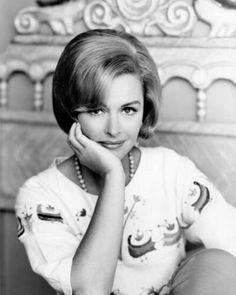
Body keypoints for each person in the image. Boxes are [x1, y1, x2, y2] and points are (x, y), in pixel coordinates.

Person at [15, 29, 236, 295]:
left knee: (216, 261)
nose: (114, 129)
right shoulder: (41, 196)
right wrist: (113, 176)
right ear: (69, 110)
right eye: (96, 110)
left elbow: (230, 246)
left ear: (145, 109)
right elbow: (90, 290)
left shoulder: (171, 170)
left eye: (128, 109)